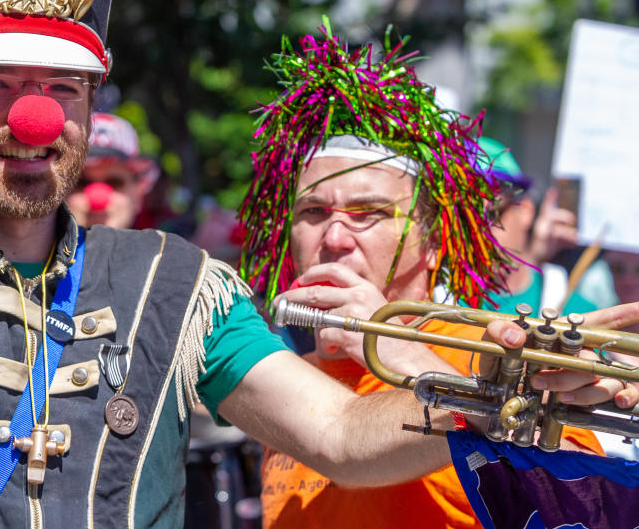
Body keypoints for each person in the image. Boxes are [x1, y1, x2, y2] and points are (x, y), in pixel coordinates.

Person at [0, 0, 625, 528]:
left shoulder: (179, 283)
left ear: (93, 108)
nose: (29, 116)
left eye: (61, 88)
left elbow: (339, 435)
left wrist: (497, 394)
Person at [236, 30, 614, 528]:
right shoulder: (284, 373)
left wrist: (406, 356)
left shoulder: (488, 358)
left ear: (434, 243)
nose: (333, 236)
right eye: (312, 210)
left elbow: (591, 507)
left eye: (368, 212)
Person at [478, 137, 617, 317]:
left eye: (489, 215)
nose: (474, 231)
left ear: (525, 210)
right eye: (461, 220)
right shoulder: (437, 299)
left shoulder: (581, 313)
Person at [66, 112, 158, 229]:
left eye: (115, 183)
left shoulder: (164, 247)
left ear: (137, 195)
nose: (98, 200)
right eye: (82, 183)